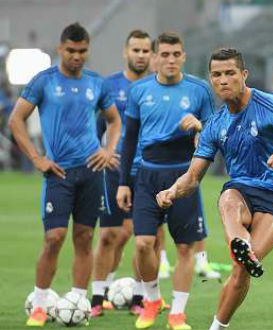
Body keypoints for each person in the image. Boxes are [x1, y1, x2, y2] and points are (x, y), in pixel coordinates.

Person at [154, 48, 273, 330]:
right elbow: (192, 178)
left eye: (230, 73)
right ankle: (240, 243)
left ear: (244, 75)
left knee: (242, 270)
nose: (223, 80)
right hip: (242, 191)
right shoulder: (215, 124)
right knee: (229, 197)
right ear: (211, 79)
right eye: (217, 75)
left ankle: (219, 324)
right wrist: (172, 191)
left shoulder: (269, 106)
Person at [8, 22, 122, 327]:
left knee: (84, 238)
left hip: (92, 171)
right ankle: (40, 304)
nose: (77, 56)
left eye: (82, 51)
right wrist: (36, 158)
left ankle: (76, 300)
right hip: (58, 172)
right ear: (60, 49)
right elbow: (16, 120)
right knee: (54, 238)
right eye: (71, 50)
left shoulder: (97, 83)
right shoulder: (43, 81)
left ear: (87, 50)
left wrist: (108, 149)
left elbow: (114, 121)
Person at [116, 31, 213, 330]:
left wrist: (199, 125)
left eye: (176, 54)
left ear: (183, 56)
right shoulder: (140, 90)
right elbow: (129, 138)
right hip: (146, 175)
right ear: (155, 58)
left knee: (185, 249)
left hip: (185, 175)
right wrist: (123, 182)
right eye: (165, 55)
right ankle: (153, 299)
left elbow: (214, 133)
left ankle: (177, 315)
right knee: (144, 244)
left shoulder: (199, 90)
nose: (170, 60)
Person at [91, 29, 156, 317]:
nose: (140, 55)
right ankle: (97, 298)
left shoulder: (158, 87)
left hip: (148, 172)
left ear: (151, 54)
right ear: (125, 52)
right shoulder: (109, 86)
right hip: (114, 170)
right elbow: (94, 128)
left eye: (145, 51)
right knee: (108, 235)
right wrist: (100, 153)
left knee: (138, 235)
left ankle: (139, 299)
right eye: (136, 50)